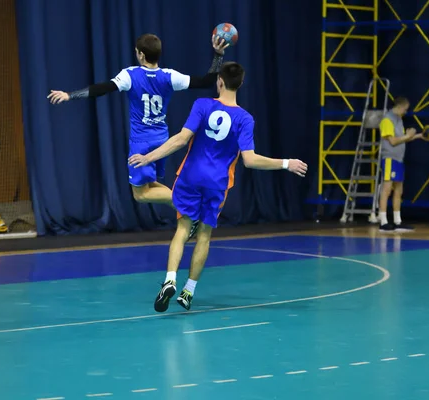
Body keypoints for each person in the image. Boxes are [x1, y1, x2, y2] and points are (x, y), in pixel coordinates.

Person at [128, 62, 308, 312]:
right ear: (241, 84)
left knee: (182, 230)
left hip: (190, 176)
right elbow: (250, 160)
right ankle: (188, 291)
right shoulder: (245, 118)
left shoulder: (202, 105)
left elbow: (181, 139)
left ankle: (170, 279)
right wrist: (286, 163)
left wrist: (148, 158)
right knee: (204, 235)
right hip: (217, 182)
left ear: (219, 81)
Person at [48, 33, 229, 238]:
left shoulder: (130, 75)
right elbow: (206, 82)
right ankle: (187, 208)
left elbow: (102, 89)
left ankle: (190, 204)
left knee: (140, 195)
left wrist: (70, 95)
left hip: (141, 143)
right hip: (162, 139)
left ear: (141, 55)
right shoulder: (170, 76)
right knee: (150, 186)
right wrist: (218, 55)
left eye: (136, 51)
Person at [378, 97, 427, 232]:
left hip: (399, 159)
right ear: (399, 107)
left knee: (399, 190)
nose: (405, 112)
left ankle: (397, 221)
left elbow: (402, 139)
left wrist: (418, 136)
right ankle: (383, 221)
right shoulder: (387, 120)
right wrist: (408, 135)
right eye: (405, 109)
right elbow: (393, 141)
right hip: (390, 158)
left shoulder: (398, 120)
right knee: (387, 189)